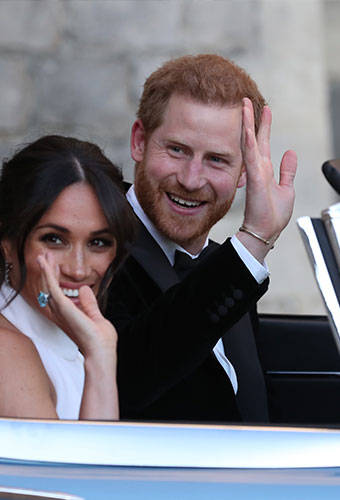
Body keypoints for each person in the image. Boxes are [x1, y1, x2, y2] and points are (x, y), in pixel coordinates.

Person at [106, 54, 297, 422]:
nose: (192, 179)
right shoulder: (95, 248)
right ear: (140, 142)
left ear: (245, 172)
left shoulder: (224, 265)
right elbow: (128, 380)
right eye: (177, 150)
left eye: (217, 160)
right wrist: (255, 240)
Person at [0, 135, 136, 420]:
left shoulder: (67, 343)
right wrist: (100, 358)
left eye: (98, 243)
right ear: (8, 244)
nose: (78, 269)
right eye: (54, 239)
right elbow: (87, 467)